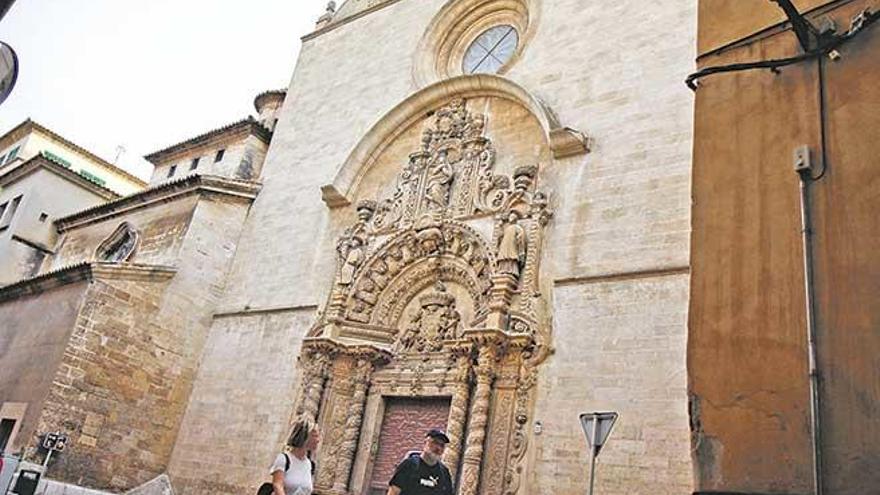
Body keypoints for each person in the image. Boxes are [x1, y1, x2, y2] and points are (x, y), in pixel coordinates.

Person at [387, 429, 454, 495]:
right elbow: (393, 492)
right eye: (435, 442)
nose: (438, 448)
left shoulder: (444, 473)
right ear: (425, 443)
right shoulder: (408, 465)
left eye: (442, 445)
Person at [271, 417, 321, 495]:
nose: (318, 440)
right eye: (315, 436)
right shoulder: (284, 459)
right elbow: (277, 485)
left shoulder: (309, 464)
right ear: (305, 437)